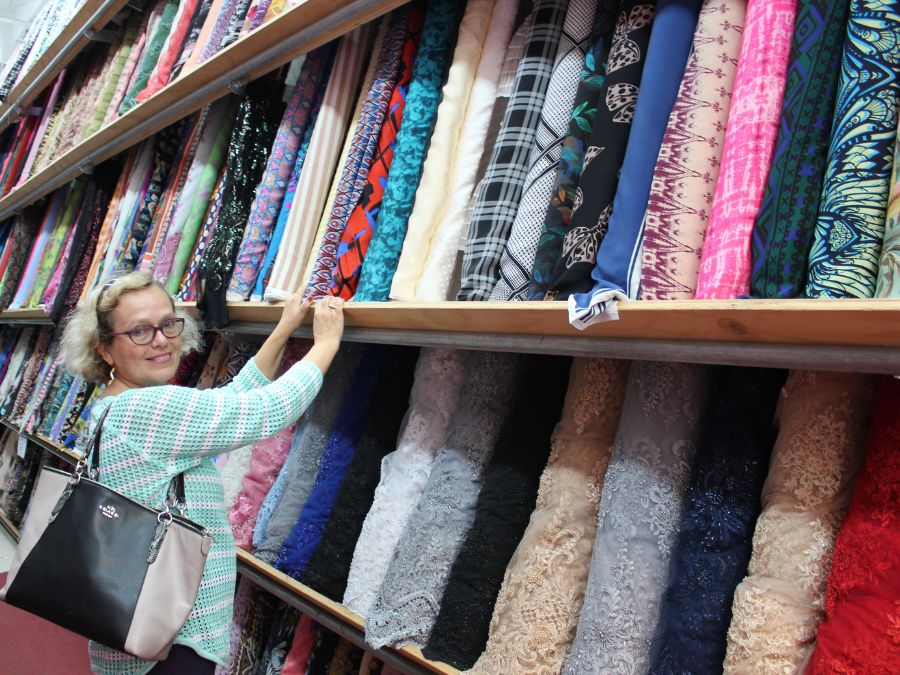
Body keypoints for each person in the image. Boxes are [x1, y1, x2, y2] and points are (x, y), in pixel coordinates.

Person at [59, 270, 344, 675]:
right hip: (171, 638)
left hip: (134, 625)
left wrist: (282, 331)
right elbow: (269, 411)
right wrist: (327, 344)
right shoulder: (148, 409)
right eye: (139, 331)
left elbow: (227, 400)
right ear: (104, 349)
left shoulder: (113, 405)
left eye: (168, 323)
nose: (160, 340)